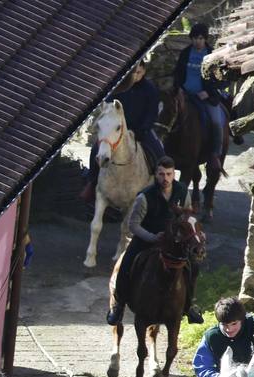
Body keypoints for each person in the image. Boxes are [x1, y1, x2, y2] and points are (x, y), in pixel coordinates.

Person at [105, 157, 203, 327]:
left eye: (168, 174)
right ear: (155, 175)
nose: (165, 178)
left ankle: (189, 305)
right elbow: (133, 225)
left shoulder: (182, 191)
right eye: (161, 174)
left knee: (193, 266)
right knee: (126, 264)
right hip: (147, 239)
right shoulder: (144, 197)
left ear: (174, 174)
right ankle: (118, 305)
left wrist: (190, 233)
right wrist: (151, 237)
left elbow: (187, 215)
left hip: (174, 242)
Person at [81, 62, 165, 210]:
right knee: (96, 149)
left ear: (144, 71)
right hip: (116, 130)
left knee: (158, 151)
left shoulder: (150, 90)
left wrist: (143, 129)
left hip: (140, 130)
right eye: (134, 72)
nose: (136, 75)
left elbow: (152, 113)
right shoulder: (120, 86)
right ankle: (92, 183)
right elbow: (108, 106)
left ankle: (159, 189)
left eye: (139, 72)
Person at [173, 23, 233, 170]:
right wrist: (179, 89)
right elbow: (177, 73)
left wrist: (208, 92)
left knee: (216, 121)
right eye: (194, 38)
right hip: (185, 95)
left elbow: (222, 80)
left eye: (200, 38)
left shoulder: (213, 55)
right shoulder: (185, 53)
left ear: (205, 39)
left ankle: (214, 155)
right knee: (167, 117)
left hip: (206, 98)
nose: (197, 42)